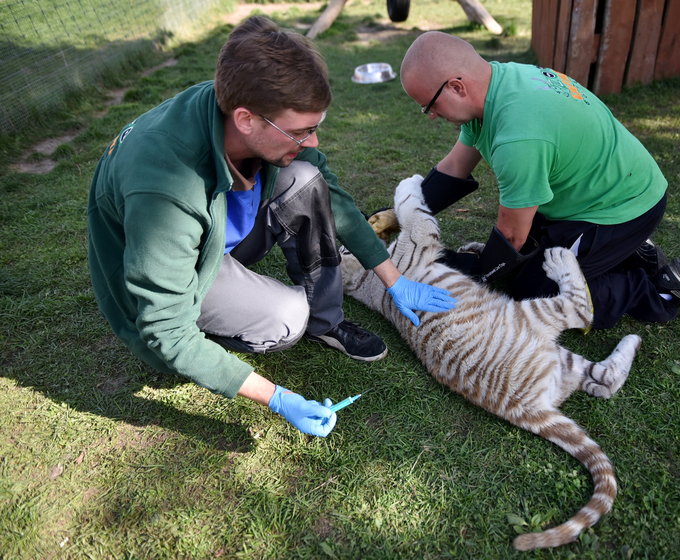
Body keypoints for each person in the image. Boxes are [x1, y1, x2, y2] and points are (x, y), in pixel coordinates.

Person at [87, 17, 456, 438]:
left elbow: (332, 198)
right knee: (285, 319)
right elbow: (164, 329)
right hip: (181, 272)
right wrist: (278, 397)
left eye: (316, 127)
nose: (313, 142)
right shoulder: (166, 186)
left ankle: (327, 321)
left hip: (213, 235)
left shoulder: (238, 109)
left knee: (305, 179)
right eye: (301, 131)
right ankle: (219, 333)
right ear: (246, 119)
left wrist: (392, 279)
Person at [398, 31, 680, 330]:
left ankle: (653, 286)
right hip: (595, 190)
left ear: (456, 87)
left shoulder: (518, 137)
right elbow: (455, 167)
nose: (430, 115)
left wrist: (476, 277)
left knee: (536, 293)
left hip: (621, 207)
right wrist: (401, 215)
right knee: (519, 265)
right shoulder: (498, 83)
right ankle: (624, 252)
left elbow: (511, 236)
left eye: (430, 105)